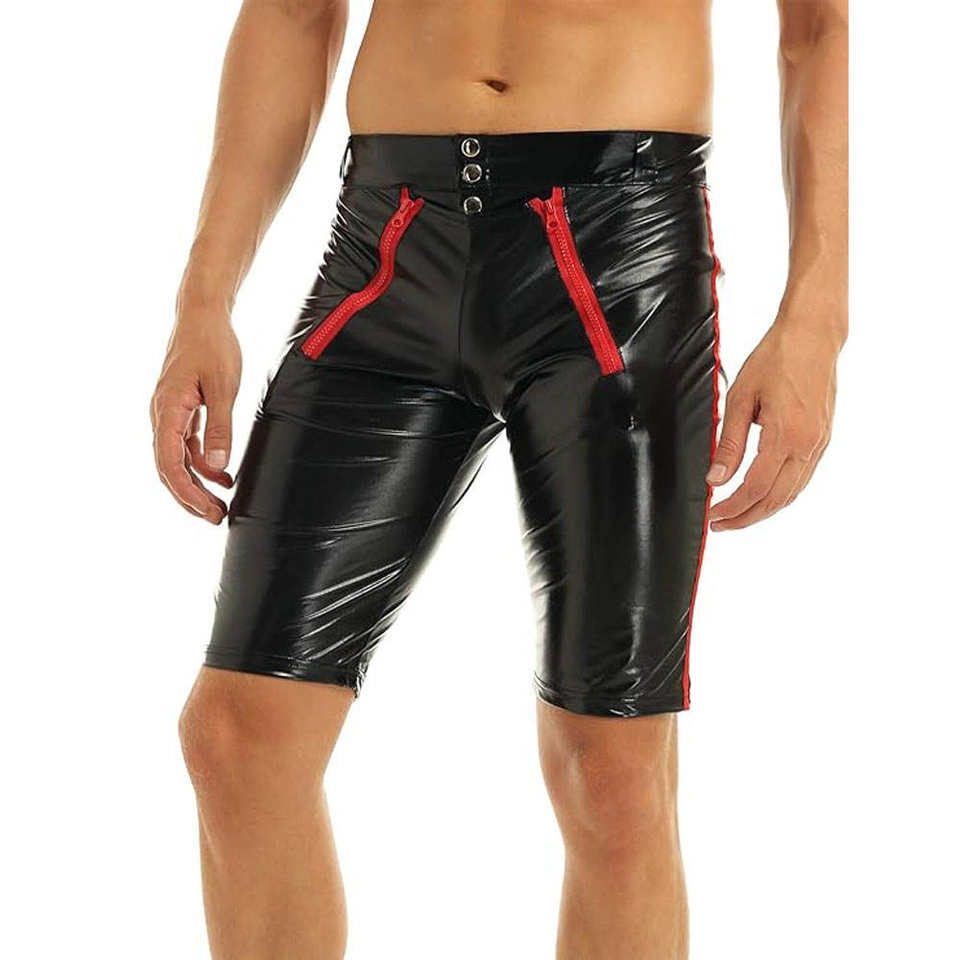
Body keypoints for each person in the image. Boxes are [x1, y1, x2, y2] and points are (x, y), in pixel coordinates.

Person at [150, 1, 847, 956]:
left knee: (611, 772)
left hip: (613, 255)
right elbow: (293, 12)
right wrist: (204, 300)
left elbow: (816, 28)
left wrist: (816, 320)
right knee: (239, 734)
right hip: (389, 245)